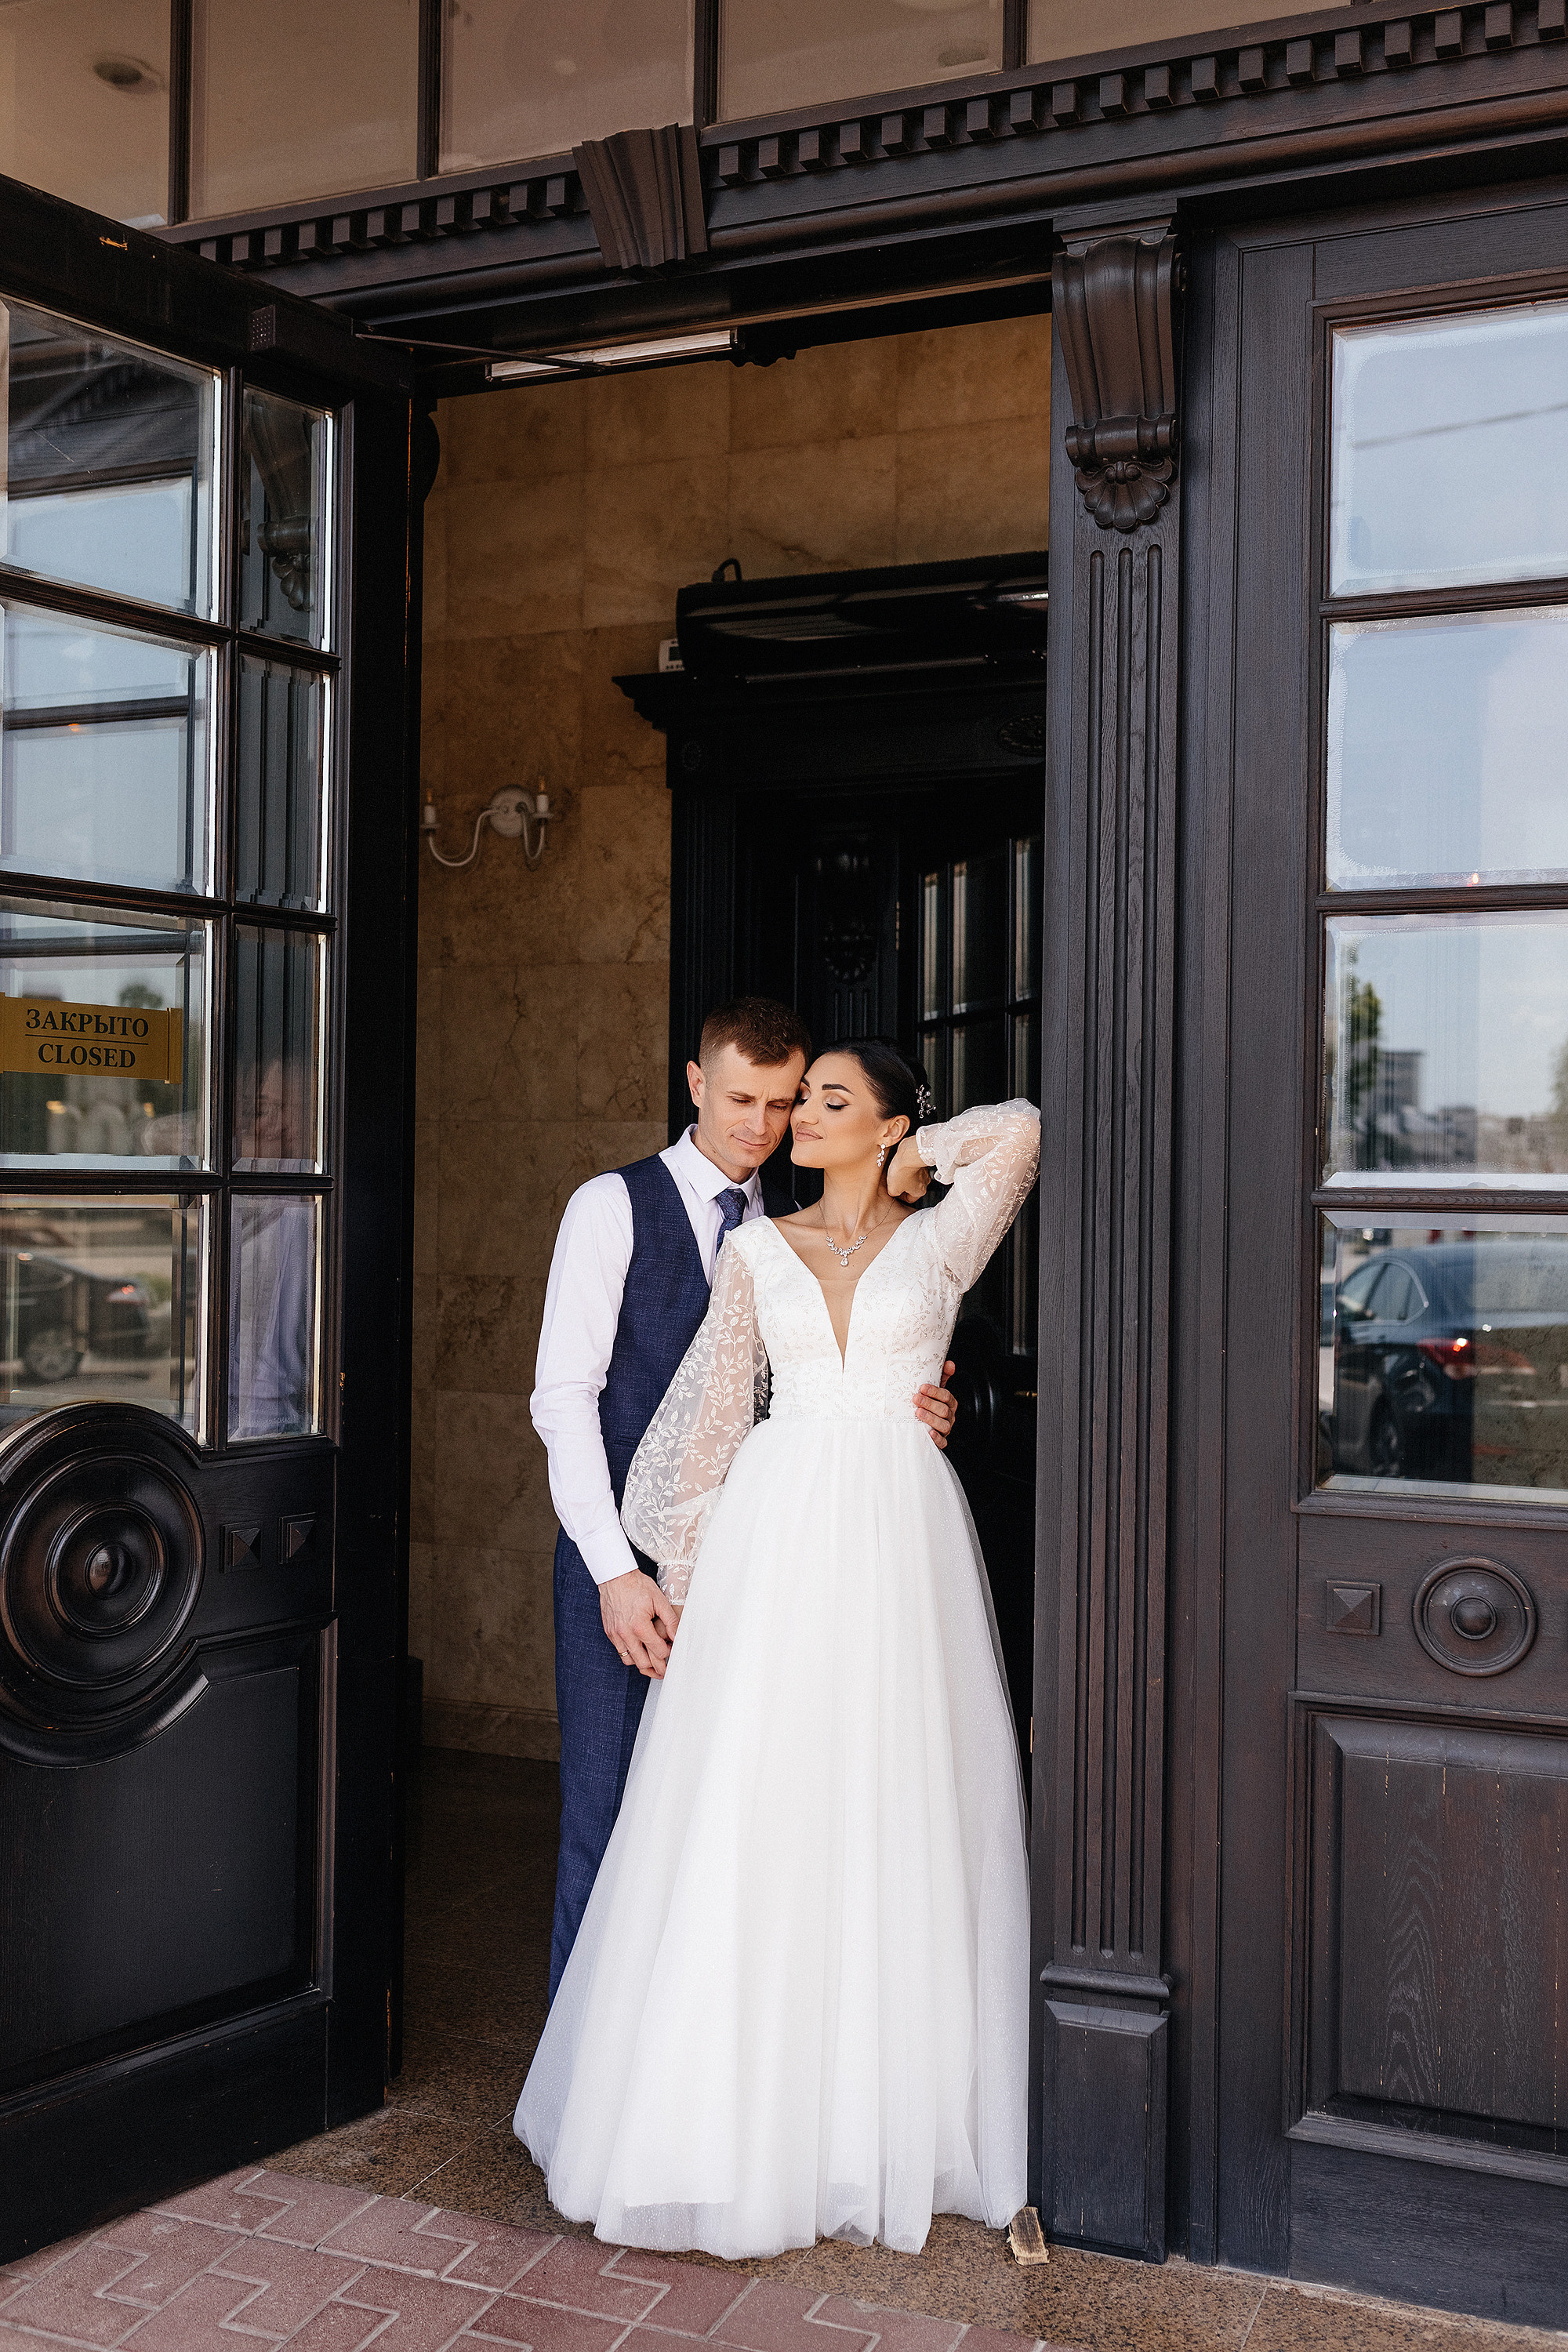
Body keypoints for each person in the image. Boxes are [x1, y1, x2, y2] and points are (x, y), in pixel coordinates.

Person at [516, 1040, 1040, 2259]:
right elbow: (699, 1439)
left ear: (886, 1118)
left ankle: (872, 2121)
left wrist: (915, 1154)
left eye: (820, 1099)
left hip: (905, 1542)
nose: (794, 1117)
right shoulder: (753, 1249)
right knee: (749, 1814)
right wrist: (673, 1593)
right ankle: (707, 2111)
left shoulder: (940, 1241)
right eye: (784, 1098)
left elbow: (1014, 1133)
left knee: (891, 1810)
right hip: (777, 1538)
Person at [532, 1000, 960, 2000]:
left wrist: (916, 1405)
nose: (760, 1125)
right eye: (739, 1100)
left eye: (782, 1101)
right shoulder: (610, 1205)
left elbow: (834, 1378)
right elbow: (563, 1403)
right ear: (693, 1084)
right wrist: (614, 1574)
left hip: (765, 1569)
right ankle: (581, 2082)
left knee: (730, 1827)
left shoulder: (800, 1227)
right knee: (606, 1816)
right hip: (626, 1567)